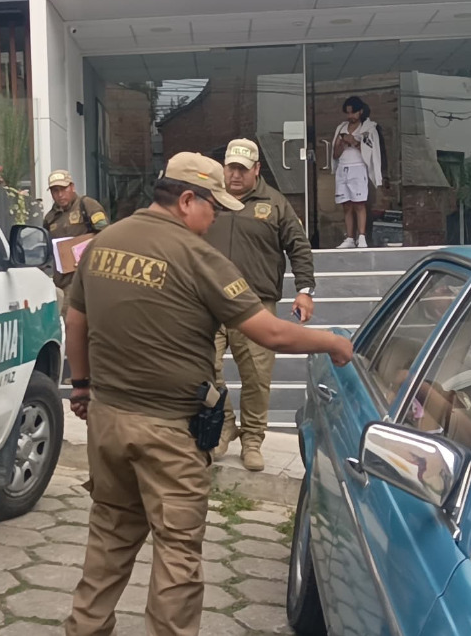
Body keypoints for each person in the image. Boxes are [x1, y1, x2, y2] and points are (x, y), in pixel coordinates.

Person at [62, 152, 354, 636]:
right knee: (177, 556)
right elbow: (271, 334)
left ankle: (85, 629)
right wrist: (334, 343)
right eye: (212, 207)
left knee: (110, 536)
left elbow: (76, 321)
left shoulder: (102, 242)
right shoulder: (199, 258)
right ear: (187, 199)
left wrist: (82, 385)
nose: (216, 217)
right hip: (169, 434)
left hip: (108, 421)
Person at [204, 138, 316, 471]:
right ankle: (224, 424)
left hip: (255, 305)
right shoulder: (208, 199)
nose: (234, 175)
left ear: (256, 169)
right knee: (201, 368)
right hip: (209, 302)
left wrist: (304, 290)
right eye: (230, 168)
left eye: (241, 169)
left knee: (256, 376)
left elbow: (299, 247)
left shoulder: (276, 203)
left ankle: (252, 438)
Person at [41, 168, 109, 319]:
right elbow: (47, 250)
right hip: (64, 281)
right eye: (55, 191)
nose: (60, 195)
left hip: (86, 275)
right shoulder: (50, 218)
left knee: (85, 318)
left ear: (72, 187)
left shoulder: (87, 205)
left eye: (63, 189)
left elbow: (105, 234)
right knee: (68, 321)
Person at [331, 96, 383, 249]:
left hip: (359, 167)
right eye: (347, 113)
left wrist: (354, 142)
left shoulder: (368, 129)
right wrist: (342, 143)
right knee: (346, 205)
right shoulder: (341, 128)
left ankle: (361, 236)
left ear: (360, 112)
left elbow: (370, 152)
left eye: (353, 113)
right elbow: (335, 154)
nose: (350, 116)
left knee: (359, 204)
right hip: (343, 167)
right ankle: (349, 237)